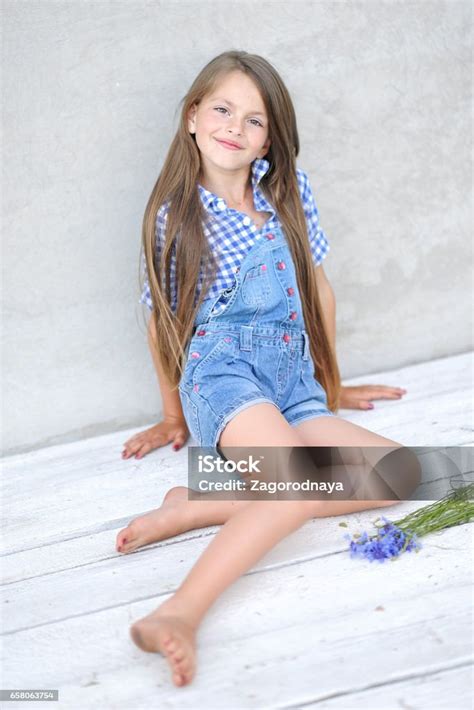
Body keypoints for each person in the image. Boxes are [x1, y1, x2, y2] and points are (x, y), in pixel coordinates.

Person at [116, 51, 419, 688]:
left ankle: (201, 501)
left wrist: (331, 387)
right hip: (223, 381)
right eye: (222, 109)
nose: (235, 126)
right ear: (193, 117)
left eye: (255, 119)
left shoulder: (287, 193)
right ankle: (181, 612)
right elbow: (161, 322)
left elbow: (319, 290)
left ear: (270, 137)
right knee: (294, 487)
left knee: (407, 473)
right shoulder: (178, 219)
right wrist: (172, 414)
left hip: (293, 383)